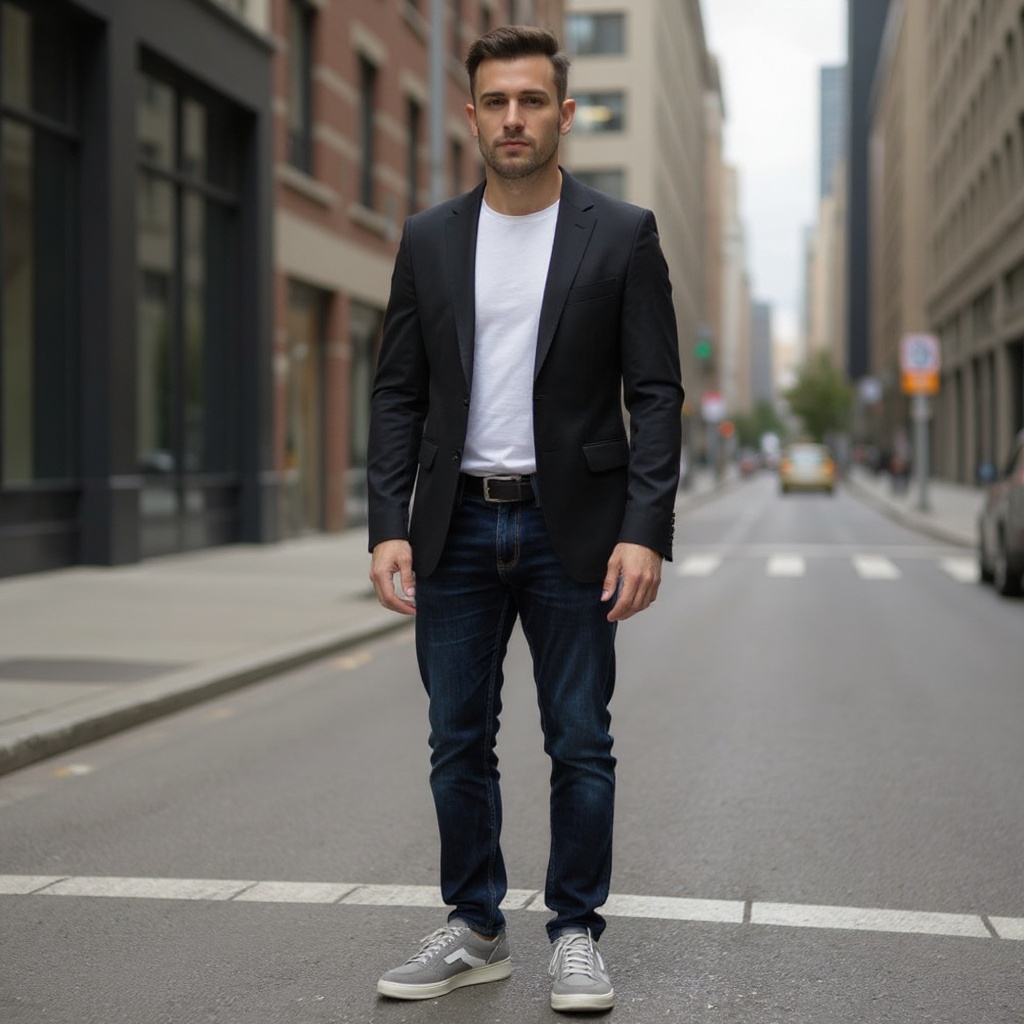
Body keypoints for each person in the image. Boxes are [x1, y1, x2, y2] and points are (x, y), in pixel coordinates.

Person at [367, 25, 683, 1013]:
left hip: (574, 530)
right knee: (456, 738)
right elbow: (397, 393)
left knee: (578, 738)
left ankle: (577, 932)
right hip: (454, 526)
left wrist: (646, 526)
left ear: (563, 114)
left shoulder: (620, 233)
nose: (513, 118)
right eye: (496, 102)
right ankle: (475, 924)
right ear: (471, 116)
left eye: (532, 101)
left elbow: (658, 390)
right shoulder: (428, 238)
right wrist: (387, 522)